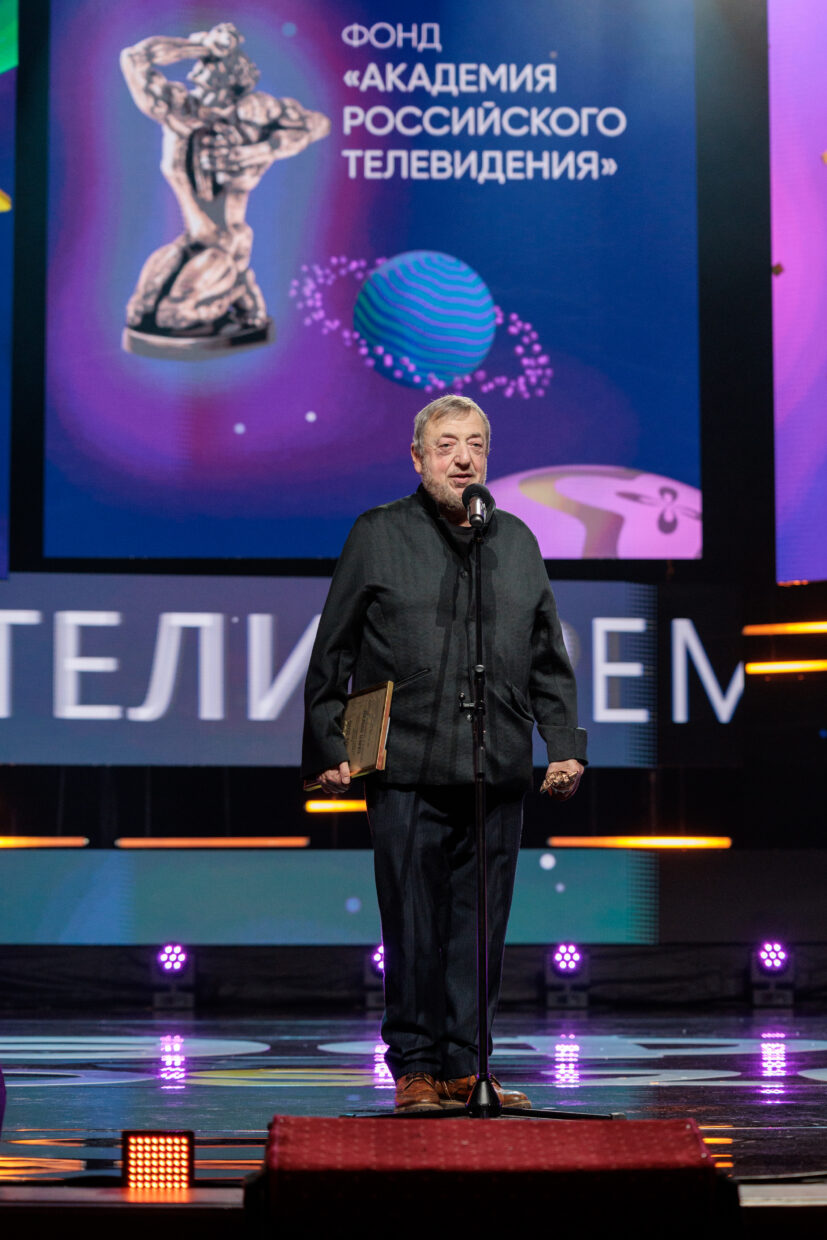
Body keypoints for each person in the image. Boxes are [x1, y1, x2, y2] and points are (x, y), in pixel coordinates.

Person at [302, 394, 586, 1112]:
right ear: (418, 457)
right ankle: (417, 1067)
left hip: (496, 764)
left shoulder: (514, 539)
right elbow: (333, 648)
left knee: (480, 927)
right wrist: (330, 742)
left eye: (476, 445)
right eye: (447, 445)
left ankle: (468, 1065)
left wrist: (564, 744)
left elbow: (547, 654)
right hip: (405, 764)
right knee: (413, 922)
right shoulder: (378, 533)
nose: (463, 459)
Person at [120, 23, 329, 347]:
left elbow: (317, 124)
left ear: (233, 76)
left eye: (212, 65)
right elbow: (135, 58)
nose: (198, 74)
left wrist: (258, 151)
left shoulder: (255, 113)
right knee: (139, 312)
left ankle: (239, 287)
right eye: (202, 65)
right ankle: (241, 289)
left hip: (226, 245)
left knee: (173, 316)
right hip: (193, 239)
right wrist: (203, 46)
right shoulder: (181, 111)